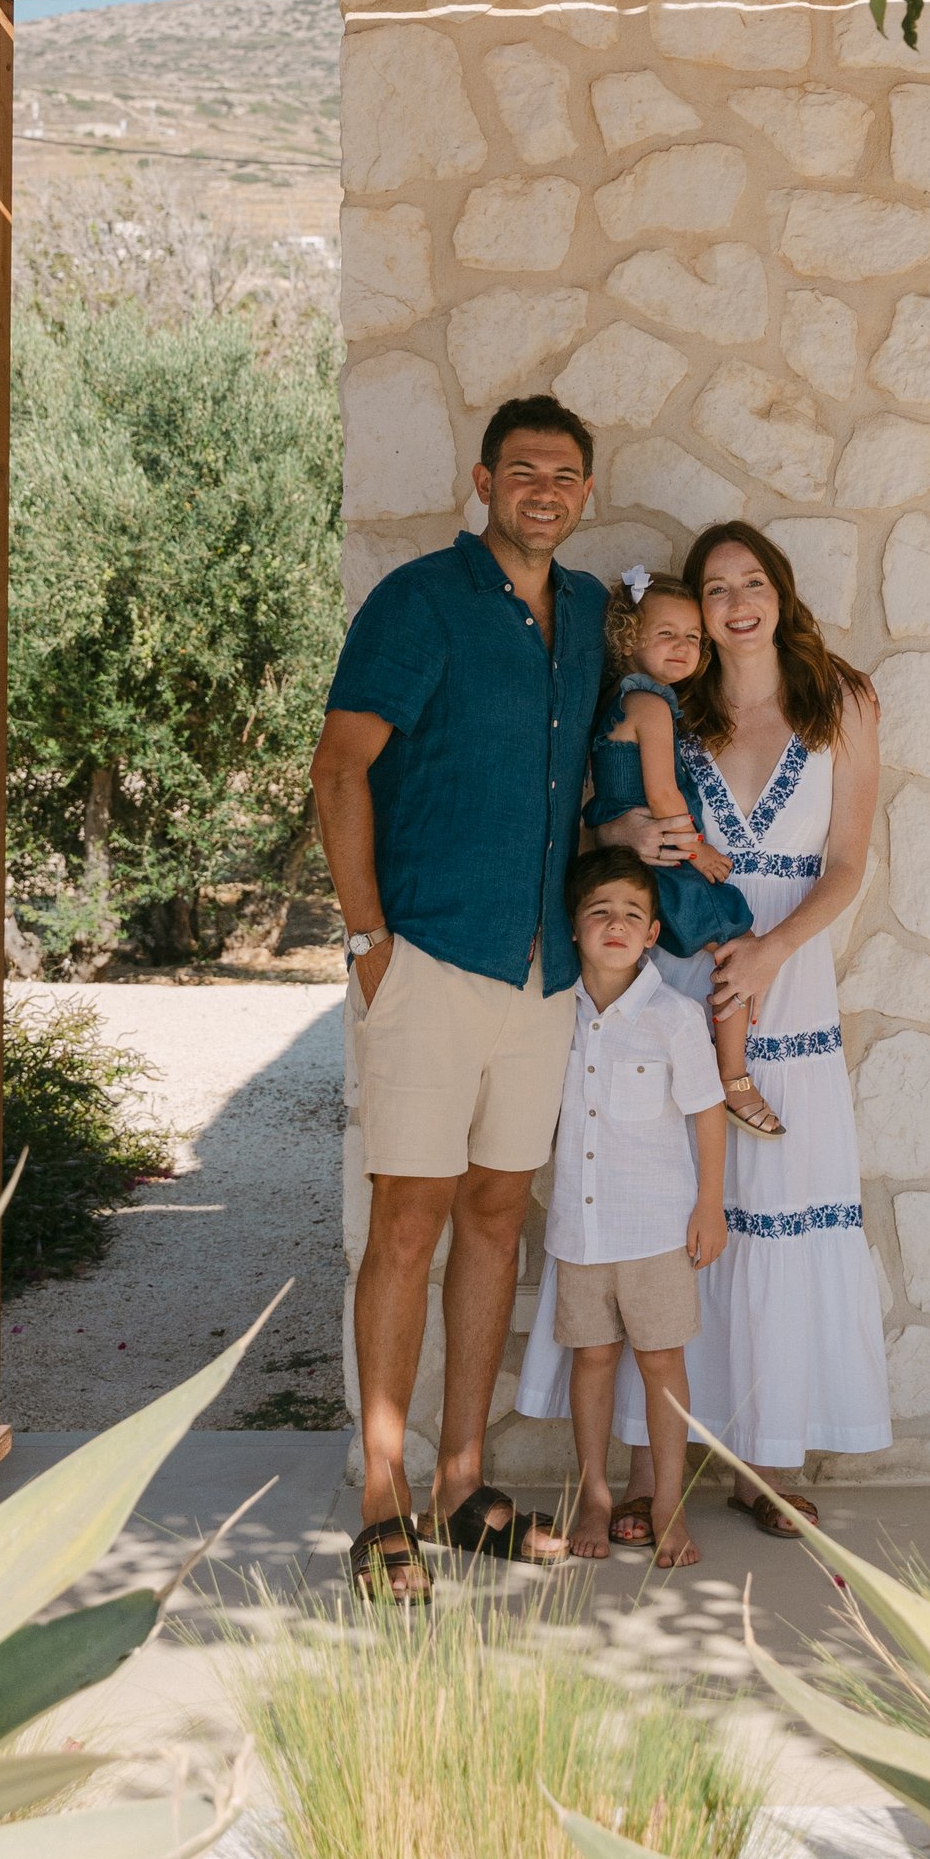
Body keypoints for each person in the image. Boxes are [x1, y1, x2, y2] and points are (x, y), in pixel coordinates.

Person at [310, 392, 609, 1598]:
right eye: (523, 469)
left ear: (585, 492)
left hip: (541, 969)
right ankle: (383, 1495)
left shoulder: (589, 613)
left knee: (496, 1216)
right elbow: (339, 765)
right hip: (428, 956)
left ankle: (460, 1484)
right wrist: (369, 935)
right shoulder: (419, 602)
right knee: (409, 1221)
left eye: (567, 473)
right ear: (481, 481)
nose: (545, 489)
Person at [668, 519, 890, 1527]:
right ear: (699, 610)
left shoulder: (839, 700)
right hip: (687, 977)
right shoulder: (673, 710)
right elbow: (624, 822)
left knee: (781, 1207)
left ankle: (764, 1458)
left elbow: (846, 862)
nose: (736, 601)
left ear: (781, 591)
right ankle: (662, 1460)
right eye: (715, 589)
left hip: (788, 980)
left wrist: (773, 948)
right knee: (685, 1210)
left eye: (751, 581)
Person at [537, 845, 728, 1569]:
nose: (615, 924)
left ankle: (669, 1505)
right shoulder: (557, 1013)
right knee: (591, 1359)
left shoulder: (674, 1017)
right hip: (580, 1231)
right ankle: (595, 1495)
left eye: (632, 915)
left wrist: (709, 1206)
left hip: (655, 1228)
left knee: (661, 1360)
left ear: (653, 934)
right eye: (599, 913)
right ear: (576, 928)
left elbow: (707, 1112)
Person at [590, 573, 783, 1140]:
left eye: (694, 637)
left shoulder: (622, 699)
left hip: (641, 856)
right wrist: (698, 851)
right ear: (630, 640)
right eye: (665, 634)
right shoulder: (649, 704)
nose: (683, 647)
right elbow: (662, 793)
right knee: (737, 945)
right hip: (664, 857)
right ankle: (732, 1075)